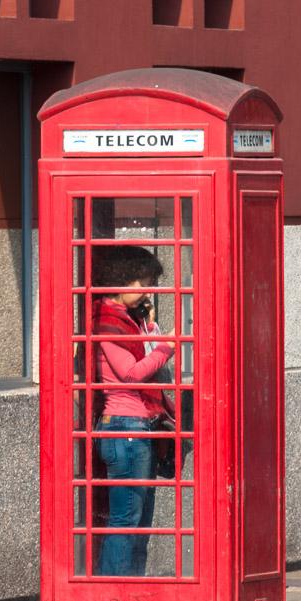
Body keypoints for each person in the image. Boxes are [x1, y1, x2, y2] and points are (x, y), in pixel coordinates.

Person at [92, 245, 175, 576]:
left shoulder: (131, 321)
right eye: (143, 283)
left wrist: (151, 330)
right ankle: (111, 595)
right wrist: (170, 344)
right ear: (121, 281)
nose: (148, 291)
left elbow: (148, 360)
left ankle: (134, 592)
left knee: (140, 525)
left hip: (141, 428)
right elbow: (131, 373)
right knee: (125, 522)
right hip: (124, 429)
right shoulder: (106, 323)